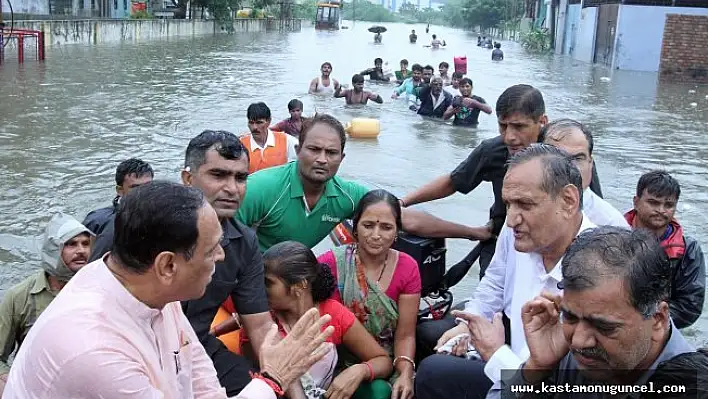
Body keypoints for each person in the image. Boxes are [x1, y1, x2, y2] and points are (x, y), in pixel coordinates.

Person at [2, 182, 337, 399]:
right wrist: (274, 378)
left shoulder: (155, 294)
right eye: (211, 250)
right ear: (167, 266)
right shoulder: (94, 352)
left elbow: (201, 379)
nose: (221, 256)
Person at [415, 144, 595, 399]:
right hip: (517, 367)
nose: (511, 220)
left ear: (568, 200)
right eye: (508, 204)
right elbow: (495, 282)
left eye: (524, 204)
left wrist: (496, 354)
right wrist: (470, 323)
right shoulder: (518, 235)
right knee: (433, 365)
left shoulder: (600, 272)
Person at [402, 84, 603, 280]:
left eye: (519, 127)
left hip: (553, 249)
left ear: (542, 121)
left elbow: (593, 211)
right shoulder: (494, 151)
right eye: (503, 126)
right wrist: (403, 202)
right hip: (502, 242)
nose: (509, 137)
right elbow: (454, 181)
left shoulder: (568, 158)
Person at [237, 113, 493, 252]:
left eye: (331, 153)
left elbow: (406, 219)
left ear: (342, 158)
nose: (322, 160)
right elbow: (217, 236)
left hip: (290, 275)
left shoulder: (347, 196)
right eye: (314, 150)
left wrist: (473, 233)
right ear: (298, 150)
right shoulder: (262, 187)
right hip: (247, 274)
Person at [502, 226, 696, 398]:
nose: (578, 341)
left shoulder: (692, 385)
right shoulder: (570, 352)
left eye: (603, 326)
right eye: (569, 316)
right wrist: (536, 369)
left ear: (657, 319)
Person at [179, 131, 276, 396]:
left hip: (197, 344)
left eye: (241, 177)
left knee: (247, 383)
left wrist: (284, 385)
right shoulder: (150, 227)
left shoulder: (245, 244)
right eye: (218, 175)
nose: (232, 189)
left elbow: (259, 326)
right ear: (188, 179)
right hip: (142, 346)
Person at [253, 241, 394, 399]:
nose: (259, 288)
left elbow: (383, 361)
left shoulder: (332, 313)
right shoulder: (260, 323)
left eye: (268, 283)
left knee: (379, 390)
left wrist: (360, 371)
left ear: (300, 285)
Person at [318, 189, 420, 399]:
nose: (376, 235)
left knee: (383, 392)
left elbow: (405, 334)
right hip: (333, 360)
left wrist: (406, 373)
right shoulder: (331, 263)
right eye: (368, 225)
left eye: (386, 227)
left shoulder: (407, 267)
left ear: (396, 232)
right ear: (355, 227)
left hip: (384, 362)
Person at [0, 213, 92, 395]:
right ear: (53, 250)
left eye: (86, 243)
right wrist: (9, 384)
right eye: (71, 244)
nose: (81, 250)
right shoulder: (20, 296)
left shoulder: (101, 291)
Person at [625, 170, 705, 329]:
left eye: (668, 205)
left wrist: (643, 321)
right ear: (636, 202)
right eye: (653, 202)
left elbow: (689, 307)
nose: (661, 210)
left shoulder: (689, 249)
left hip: (659, 327)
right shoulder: (612, 238)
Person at [542, 119, 628, 227]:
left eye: (578, 158)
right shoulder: (519, 209)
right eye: (558, 158)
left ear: (590, 163)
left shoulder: (611, 224)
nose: (570, 167)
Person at [82, 158, 153, 236]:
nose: (144, 192)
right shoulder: (96, 221)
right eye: (135, 188)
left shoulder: (164, 217)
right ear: (120, 190)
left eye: (148, 186)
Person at [239, 102, 298, 174]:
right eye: (251, 123)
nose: (254, 127)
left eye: (259, 122)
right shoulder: (240, 145)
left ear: (269, 121)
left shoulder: (287, 141)